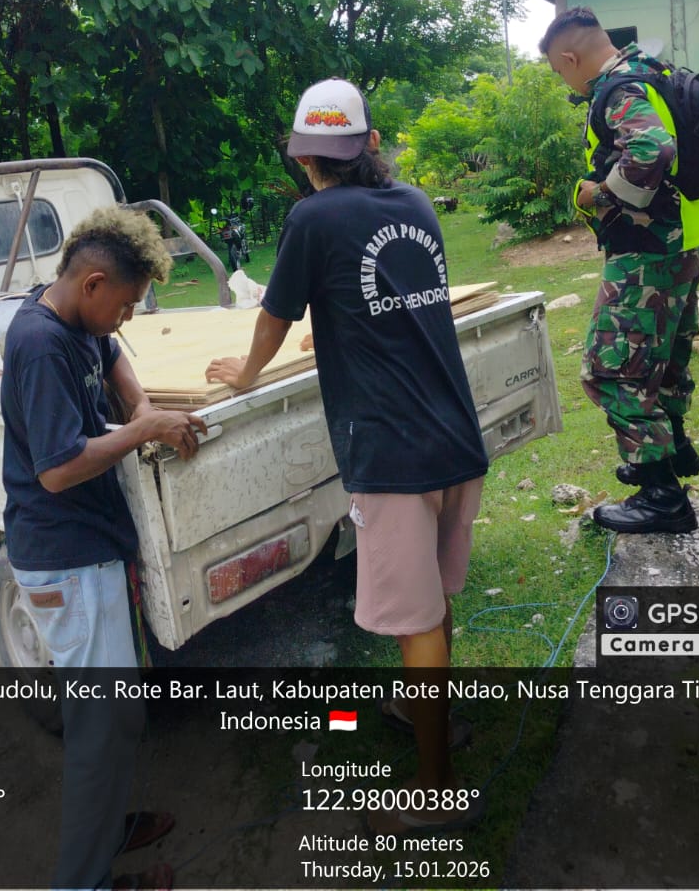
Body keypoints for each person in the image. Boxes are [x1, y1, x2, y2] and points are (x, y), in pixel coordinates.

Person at [205, 77, 489, 834]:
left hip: (393, 450)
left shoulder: (312, 217)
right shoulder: (417, 205)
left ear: (304, 160)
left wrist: (249, 371)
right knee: (433, 600)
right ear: (369, 145)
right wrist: (331, 327)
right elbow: (391, 301)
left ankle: (436, 792)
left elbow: (273, 313)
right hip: (456, 436)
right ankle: (435, 718)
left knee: (419, 616)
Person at [1, 206, 206, 891]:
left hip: (91, 549)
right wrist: (145, 431)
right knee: (99, 728)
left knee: (117, 715)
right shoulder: (39, 343)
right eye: (123, 305)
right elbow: (57, 468)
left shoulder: (81, 324)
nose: (124, 320)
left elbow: (118, 368)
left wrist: (143, 409)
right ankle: (83, 883)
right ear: (91, 285)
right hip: (64, 558)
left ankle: (109, 828)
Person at [540, 7, 699, 535]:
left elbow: (651, 147)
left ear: (569, 57)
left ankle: (661, 496)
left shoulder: (617, 90)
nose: (563, 80)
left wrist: (601, 194)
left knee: (613, 370)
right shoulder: (651, 70)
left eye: (557, 70)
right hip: (687, 240)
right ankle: (672, 450)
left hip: (649, 250)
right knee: (663, 357)